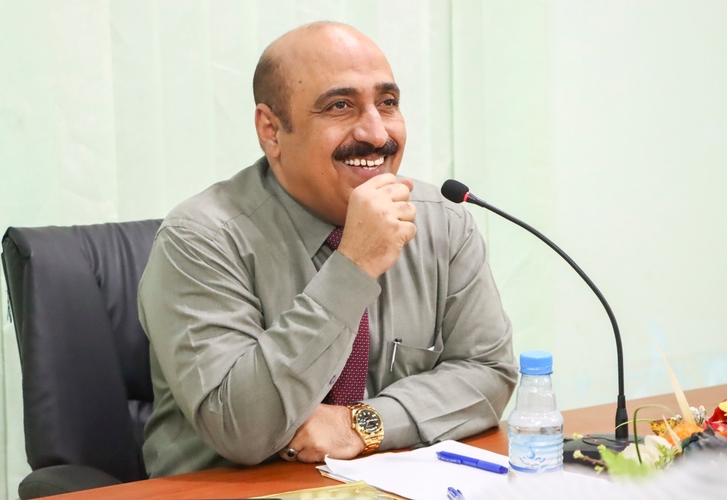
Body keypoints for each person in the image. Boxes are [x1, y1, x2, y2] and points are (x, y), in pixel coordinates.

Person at [138, 21, 517, 478]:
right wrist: (353, 266)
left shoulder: (443, 221)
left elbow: (489, 371)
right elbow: (242, 429)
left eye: (387, 103)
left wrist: (361, 425)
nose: (376, 134)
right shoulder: (200, 238)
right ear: (271, 130)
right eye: (340, 106)